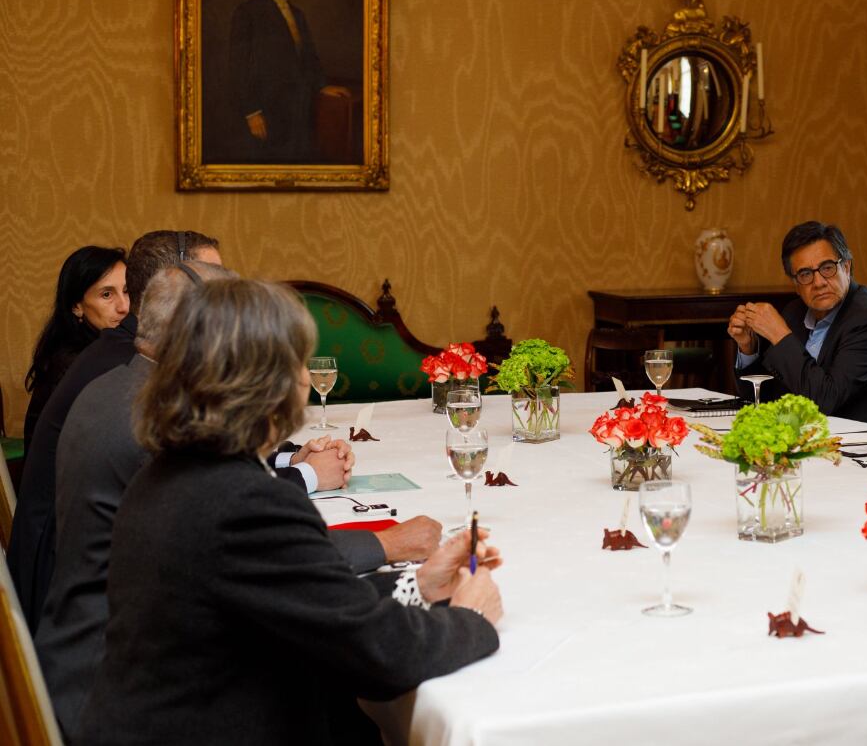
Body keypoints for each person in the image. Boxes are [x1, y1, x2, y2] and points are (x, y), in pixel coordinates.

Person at [79, 279, 502, 746]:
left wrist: (417, 584)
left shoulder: (169, 472)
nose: (305, 377)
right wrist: (471, 618)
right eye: (299, 361)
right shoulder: (245, 502)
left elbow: (309, 600)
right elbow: (378, 653)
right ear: (272, 384)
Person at [8, 230, 222, 628]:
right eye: (214, 283)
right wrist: (301, 476)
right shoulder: (130, 367)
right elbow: (203, 495)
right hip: (80, 595)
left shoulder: (128, 352)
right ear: (173, 288)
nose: (227, 299)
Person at [728, 221, 867, 425]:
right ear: (796, 284)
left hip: (856, 440)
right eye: (806, 274)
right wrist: (748, 348)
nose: (818, 282)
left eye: (827, 268)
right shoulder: (794, 312)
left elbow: (826, 400)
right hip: (803, 435)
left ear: (846, 267)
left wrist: (779, 335)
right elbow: (764, 398)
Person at [229, 0, 349, 163]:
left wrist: (322, 85)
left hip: (301, 110)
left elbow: (309, 58)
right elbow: (238, 66)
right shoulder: (248, 12)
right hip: (267, 113)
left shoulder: (298, 14)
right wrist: (251, 112)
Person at [22, 246, 128, 459]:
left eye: (127, 291)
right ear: (76, 306)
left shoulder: (110, 348)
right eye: (107, 294)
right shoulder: (76, 363)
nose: (124, 306)